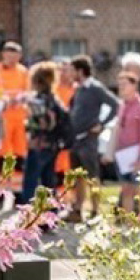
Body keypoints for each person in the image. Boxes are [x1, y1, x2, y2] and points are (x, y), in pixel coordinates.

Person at [66, 54, 119, 222]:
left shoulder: (95, 88)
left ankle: (96, 211)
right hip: (75, 140)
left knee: (92, 177)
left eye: (72, 70)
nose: (69, 73)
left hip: (89, 140)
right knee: (78, 177)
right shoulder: (79, 89)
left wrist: (102, 124)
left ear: (80, 71)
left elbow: (115, 105)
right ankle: (78, 209)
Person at [18, 61, 70, 204]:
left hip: (38, 144)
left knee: (31, 179)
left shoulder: (38, 100)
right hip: (53, 144)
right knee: (49, 179)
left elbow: (40, 124)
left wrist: (29, 124)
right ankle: (51, 210)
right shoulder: (54, 99)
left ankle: (27, 209)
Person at [104, 71, 140, 214]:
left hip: (136, 155)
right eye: (119, 85)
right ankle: (129, 223)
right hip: (123, 155)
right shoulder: (122, 105)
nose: (121, 88)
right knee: (126, 190)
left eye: (124, 84)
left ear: (134, 85)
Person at [0, 42, 30, 174]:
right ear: (4, 54)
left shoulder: (23, 71)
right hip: (2, 116)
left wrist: (21, 98)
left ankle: (18, 183)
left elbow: (28, 90)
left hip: (19, 116)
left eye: (15, 56)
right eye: (9, 56)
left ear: (19, 56)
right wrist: (3, 98)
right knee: (2, 149)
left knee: (20, 148)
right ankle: (1, 182)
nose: (12, 60)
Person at [54, 60, 77, 189]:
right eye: (60, 70)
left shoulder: (76, 89)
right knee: (57, 166)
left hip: (71, 133)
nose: (63, 73)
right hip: (57, 133)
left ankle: (70, 198)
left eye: (66, 70)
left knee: (70, 166)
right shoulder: (53, 89)